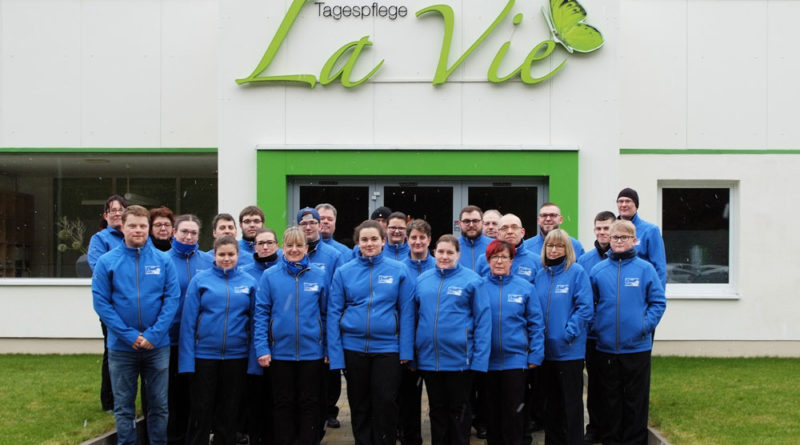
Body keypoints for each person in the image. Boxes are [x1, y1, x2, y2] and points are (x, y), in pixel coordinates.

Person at [92, 205, 180, 445]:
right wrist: (129, 335)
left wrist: (154, 334)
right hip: (122, 348)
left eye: (142, 226)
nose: (138, 230)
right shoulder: (107, 262)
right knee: (124, 406)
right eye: (132, 225)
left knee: (159, 406)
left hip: (157, 346)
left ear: (149, 228)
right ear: (123, 227)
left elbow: (172, 299)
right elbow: (101, 303)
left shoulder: (164, 260)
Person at [328, 220, 415, 445]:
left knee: (386, 402)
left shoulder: (399, 270)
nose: (369, 243)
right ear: (357, 243)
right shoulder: (343, 272)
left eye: (374, 239)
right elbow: (333, 313)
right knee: (359, 404)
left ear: (383, 241)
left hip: (388, 349)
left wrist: (406, 350)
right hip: (353, 348)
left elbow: (406, 312)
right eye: (364, 239)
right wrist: (336, 355)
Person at [589, 220, 666, 445]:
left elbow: (658, 302)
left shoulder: (645, 269)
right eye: (615, 237)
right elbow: (589, 304)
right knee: (610, 399)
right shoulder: (598, 270)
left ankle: (634, 440)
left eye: (624, 237)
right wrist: (597, 327)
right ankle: (610, 439)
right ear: (609, 240)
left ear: (634, 240)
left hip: (637, 347)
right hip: (606, 347)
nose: (619, 241)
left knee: (636, 399)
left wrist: (644, 326)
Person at [253, 227, 329, 445]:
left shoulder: (319, 276)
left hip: (312, 353)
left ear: (306, 248)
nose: (294, 249)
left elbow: (326, 315)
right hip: (279, 354)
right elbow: (261, 314)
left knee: (310, 403)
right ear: (282, 248)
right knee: (282, 404)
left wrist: (327, 349)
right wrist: (262, 348)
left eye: (299, 245)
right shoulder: (269, 276)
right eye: (289, 245)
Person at [179, 235, 256, 445]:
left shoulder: (249, 282)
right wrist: (186, 361)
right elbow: (188, 324)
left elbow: (255, 324)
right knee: (201, 409)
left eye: (231, 254)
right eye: (222, 254)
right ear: (214, 255)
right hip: (204, 356)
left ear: (238, 255)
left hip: (236, 357)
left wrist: (252, 361)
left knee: (229, 410)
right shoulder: (200, 281)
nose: (226, 258)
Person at [414, 234, 491, 445]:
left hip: (460, 361)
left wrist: (480, 360)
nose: (445, 256)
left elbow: (483, 322)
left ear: (458, 254)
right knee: (437, 411)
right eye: (441, 252)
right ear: (434, 253)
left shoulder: (473, 281)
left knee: (459, 412)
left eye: (450, 252)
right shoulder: (422, 281)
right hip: (430, 360)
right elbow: (414, 318)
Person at [481, 240, 544, 445]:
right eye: (495, 257)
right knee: (491, 414)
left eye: (504, 257)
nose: (499, 261)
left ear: (512, 261)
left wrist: (535, 353)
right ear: (488, 260)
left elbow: (536, 323)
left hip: (516, 361)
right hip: (487, 362)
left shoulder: (525, 288)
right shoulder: (479, 287)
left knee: (514, 413)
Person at [534, 229, 593, 445]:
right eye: (550, 245)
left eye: (559, 245)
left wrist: (568, 333)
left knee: (571, 405)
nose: (554, 249)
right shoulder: (540, 275)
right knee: (551, 405)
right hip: (546, 352)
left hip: (569, 352)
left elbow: (585, 308)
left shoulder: (576, 272)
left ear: (567, 248)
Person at [166, 214, 213, 444]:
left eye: (193, 232)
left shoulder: (207, 262)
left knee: (195, 397)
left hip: (198, 343)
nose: (188, 236)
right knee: (172, 396)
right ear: (174, 232)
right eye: (184, 231)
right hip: (170, 339)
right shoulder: (163, 260)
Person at [577, 210, 616, 445]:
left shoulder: (622, 256)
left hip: (613, 335)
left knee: (612, 385)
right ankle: (594, 427)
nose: (602, 233)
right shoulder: (585, 261)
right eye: (598, 228)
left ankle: (612, 428)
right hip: (592, 335)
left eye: (606, 229)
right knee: (595, 383)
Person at [87, 194, 128, 412]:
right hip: (112, 305)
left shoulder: (136, 235)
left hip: (135, 306)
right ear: (105, 215)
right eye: (113, 210)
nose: (117, 214)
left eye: (121, 210)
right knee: (112, 350)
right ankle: (109, 401)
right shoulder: (100, 239)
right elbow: (99, 269)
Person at [241, 227, 281, 445]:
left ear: (277, 245)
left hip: (280, 347)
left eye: (269, 243)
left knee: (277, 400)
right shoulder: (245, 272)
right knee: (256, 400)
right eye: (260, 243)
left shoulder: (284, 270)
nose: (265, 247)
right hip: (252, 347)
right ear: (254, 246)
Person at [397, 218, 435, 445]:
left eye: (422, 237)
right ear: (406, 240)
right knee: (408, 400)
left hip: (432, 345)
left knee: (437, 400)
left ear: (429, 240)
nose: (418, 241)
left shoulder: (439, 265)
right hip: (406, 343)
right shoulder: (399, 269)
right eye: (414, 238)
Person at [315, 203, 350, 430]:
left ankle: (330, 410)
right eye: (321, 218)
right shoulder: (305, 248)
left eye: (329, 218)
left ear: (335, 222)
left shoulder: (344, 252)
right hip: (313, 318)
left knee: (332, 369)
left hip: (335, 315)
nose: (325, 222)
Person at [616, 188, 667, 288]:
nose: (623, 205)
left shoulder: (650, 231)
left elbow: (659, 267)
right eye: (620, 201)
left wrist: (658, 296)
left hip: (641, 290)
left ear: (636, 205)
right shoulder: (610, 229)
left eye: (628, 201)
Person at [476, 213, 541, 283]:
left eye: (514, 227)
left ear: (522, 232)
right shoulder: (483, 260)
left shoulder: (537, 261)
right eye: (504, 228)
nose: (510, 232)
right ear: (498, 234)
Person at [297, 207, 344, 284]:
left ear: (319, 225)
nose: (308, 227)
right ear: (298, 227)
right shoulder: (291, 254)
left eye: (312, 223)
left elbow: (339, 288)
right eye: (304, 223)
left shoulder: (334, 256)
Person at [456, 205, 492, 271]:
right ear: (459, 224)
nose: (471, 225)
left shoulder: (494, 246)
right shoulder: (453, 247)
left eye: (475, 221)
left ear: (482, 223)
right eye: (466, 221)